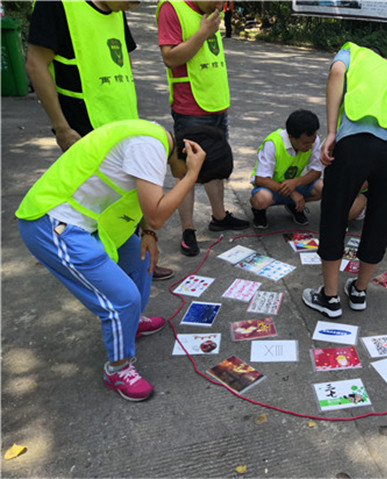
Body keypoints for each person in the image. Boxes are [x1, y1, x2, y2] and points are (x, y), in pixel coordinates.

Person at [15, 119, 213, 401]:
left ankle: (130, 324)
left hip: (91, 222)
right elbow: (158, 215)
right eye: (196, 173)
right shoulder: (149, 146)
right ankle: (117, 369)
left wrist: (147, 233)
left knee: (142, 259)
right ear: (190, 153)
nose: (185, 179)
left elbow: (144, 205)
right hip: (54, 224)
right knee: (123, 299)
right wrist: (190, 176)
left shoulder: (155, 142)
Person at [25, 0, 175, 281]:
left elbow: (121, 65)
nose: (132, 7)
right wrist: (62, 128)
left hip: (124, 127)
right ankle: (111, 283)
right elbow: (35, 64)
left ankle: (135, 267)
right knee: (93, 211)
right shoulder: (58, 5)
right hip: (85, 131)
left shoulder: (117, 9)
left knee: (127, 203)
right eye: (132, 1)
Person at [301, 41, 387, 319]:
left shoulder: (353, 51)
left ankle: (329, 297)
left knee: (335, 212)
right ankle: (359, 291)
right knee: (380, 218)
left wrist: (331, 132)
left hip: (356, 142)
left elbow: (336, 74)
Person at [156, 0, 249, 257]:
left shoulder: (210, 11)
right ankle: (188, 230)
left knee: (215, 164)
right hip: (191, 107)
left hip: (217, 103)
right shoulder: (171, 7)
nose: (221, 5)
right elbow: (170, 57)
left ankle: (219, 216)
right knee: (187, 170)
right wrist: (203, 33)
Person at [250, 109, 323, 229]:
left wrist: (295, 182)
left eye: (313, 141)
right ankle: (259, 212)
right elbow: (261, 179)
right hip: (270, 187)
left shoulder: (312, 139)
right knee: (262, 199)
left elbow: (316, 171)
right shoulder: (273, 143)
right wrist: (292, 193)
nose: (310, 146)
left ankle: (295, 205)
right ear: (290, 137)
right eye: (305, 143)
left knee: (324, 187)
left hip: (294, 185)